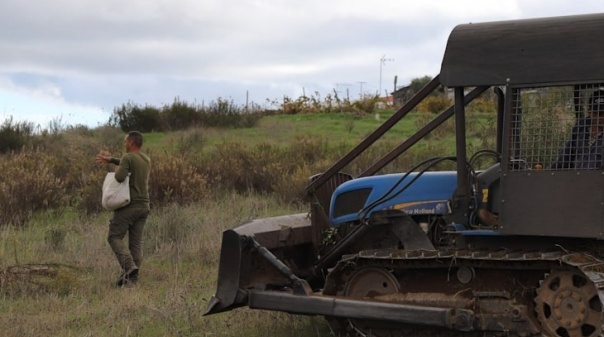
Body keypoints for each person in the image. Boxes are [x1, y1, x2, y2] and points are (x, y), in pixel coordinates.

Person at [96, 131, 151, 287]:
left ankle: (129, 267)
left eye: (126, 141)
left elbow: (120, 177)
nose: (124, 143)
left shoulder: (127, 158)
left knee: (114, 237)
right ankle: (132, 279)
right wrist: (112, 159)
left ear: (131, 142)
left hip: (129, 206)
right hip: (144, 207)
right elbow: (129, 162)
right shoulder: (146, 159)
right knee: (135, 244)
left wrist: (117, 166)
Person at [552, 90, 604, 170]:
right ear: (590, 112)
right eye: (598, 113)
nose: (601, 118)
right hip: (576, 179)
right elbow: (566, 156)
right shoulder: (580, 128)